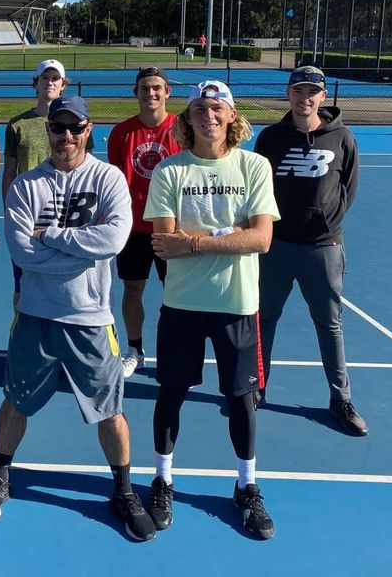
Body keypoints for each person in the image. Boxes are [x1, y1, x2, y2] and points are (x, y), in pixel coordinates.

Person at [0, 95, 156, 542]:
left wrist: (51, 237)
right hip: (35, 316)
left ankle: (124, 490)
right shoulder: (26, 187)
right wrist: (77, 248)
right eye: (58, 127)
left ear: (88, 129)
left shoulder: (108, 178)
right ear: (48, 131)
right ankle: (1, 475)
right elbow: (21, 251)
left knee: (109, 410)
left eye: (75, 128)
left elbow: (112, 239)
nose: (66, 136)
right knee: (15, 400)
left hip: (91, 318)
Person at [144, 80, 280, 540]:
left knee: (241, 400)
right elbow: (164, 244)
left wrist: (196, 241)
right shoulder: (169, 171)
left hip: (237, 305)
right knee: (171, 394)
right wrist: (229, 235)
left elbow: (261, 239)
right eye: (200, 108)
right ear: (188, 119)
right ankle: (162, 478)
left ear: (231, 116)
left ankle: (247, 485)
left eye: (217, 107)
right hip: (181, 304)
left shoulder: (255, 166)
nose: (209, 114)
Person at [254, 66, 366, 436]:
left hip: (323, 249)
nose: (305, 99)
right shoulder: (271, 138)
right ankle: (257, 386)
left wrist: (324, 223)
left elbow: (347, 189)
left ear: (322, 97)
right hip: (278, 247)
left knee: (329, 324)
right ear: (288, 96)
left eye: (312, 92)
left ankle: (340, 398)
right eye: (298, 92)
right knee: (264, 318)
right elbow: (259, 189)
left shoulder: (342, 138)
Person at [106, 67, 180, 378]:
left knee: (175, 293)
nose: (151, 93)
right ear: (135, 93)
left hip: (173, 229)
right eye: (144, 88)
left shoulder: (183, 129)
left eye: (156, 88)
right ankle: (135, 349)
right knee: (132, 289)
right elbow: (114, 180)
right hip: (133, 228)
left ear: (167, 93)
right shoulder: (121, 132)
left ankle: (173, 351)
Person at [2, 60, 92, 306]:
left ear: (63, 85)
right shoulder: (17, 124)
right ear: (36, 83)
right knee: (23, 282)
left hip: (69, 214)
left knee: (71, 278)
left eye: (55, 79)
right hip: (31, 215)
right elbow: (8, 173)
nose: (49, 83)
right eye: (45, 78)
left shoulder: (77, 126)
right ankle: (22, 331)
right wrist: (12, 213)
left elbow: (87, 166)